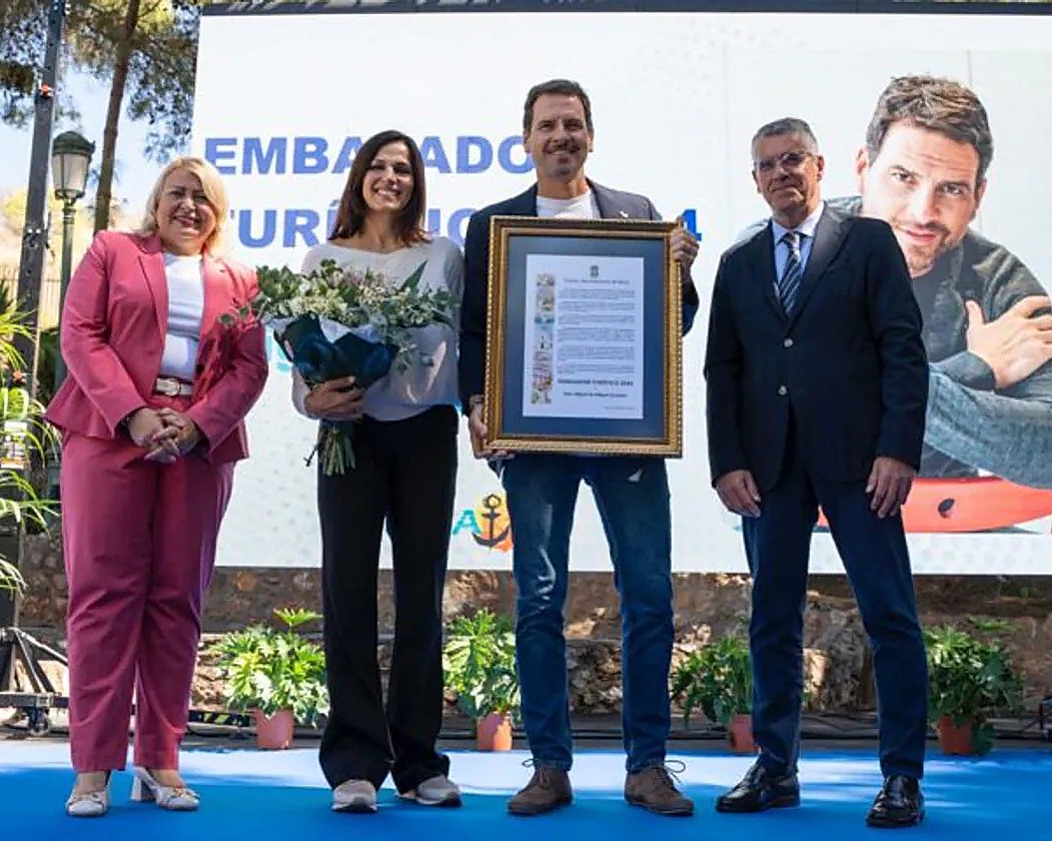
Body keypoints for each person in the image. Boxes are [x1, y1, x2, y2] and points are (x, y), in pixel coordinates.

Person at [458, 79, 701, 818]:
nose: (560, 135)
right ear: (526, 139)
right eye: (547, 125)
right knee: (537, 599)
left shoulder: (637, 214)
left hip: (626, 435)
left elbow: (673, 323)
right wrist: (475, 400)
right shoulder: (495, 224)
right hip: (533, 441)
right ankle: (550, 766)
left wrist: (682, 273)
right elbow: (474, 329)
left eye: (572, 124)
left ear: (590, 135)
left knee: (649, 597)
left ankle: (649, 765)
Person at [704, 118, 929, 829]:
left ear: (821, 165)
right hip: (767, 469)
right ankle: (777, 767)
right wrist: (727, 461)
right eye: (767, 165)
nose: (781, 173)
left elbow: (903, 348)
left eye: (792, 158)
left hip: (862, 464)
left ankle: (901, 778)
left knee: (890, 614)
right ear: (755, 179)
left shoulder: (866, 243)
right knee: (771, 618)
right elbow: (722, 372)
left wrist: (899, 448)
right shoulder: (738, 264)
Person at [45, 156, 269, 817]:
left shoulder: (239, 277)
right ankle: (92, 768)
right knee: (103, 600)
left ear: (217, 212)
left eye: (203, 198)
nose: (189, 207)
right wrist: (134, 413)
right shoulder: (113, 251)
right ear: (157, 200)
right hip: (108, 435)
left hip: (197, 450)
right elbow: (81, 335)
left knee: (178, 600)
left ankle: (160, 761)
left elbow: (250, 367)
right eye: (178, 194)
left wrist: (196, 425)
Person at [290, 129, 465, 814]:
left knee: (422, 596)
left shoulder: (443, 254)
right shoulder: (323, 258)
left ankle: (420, 762)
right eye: (379, 166)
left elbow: (474, 339)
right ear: (359, 177)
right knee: (348, 593)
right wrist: (314, 399)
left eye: (403, 169)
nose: (390, 177)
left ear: (416, 183)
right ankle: (356, 762)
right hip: (350, 435)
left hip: (426, 434)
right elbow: (301, 358)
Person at [849, 76, 1052, 487]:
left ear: (978, 197)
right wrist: (976, 367)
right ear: (863, 170)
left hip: (955, 526)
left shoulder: (998, 279)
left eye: (952, 189)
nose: (924, 211)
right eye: (903, 177)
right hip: (812, 523)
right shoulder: (785, 253)